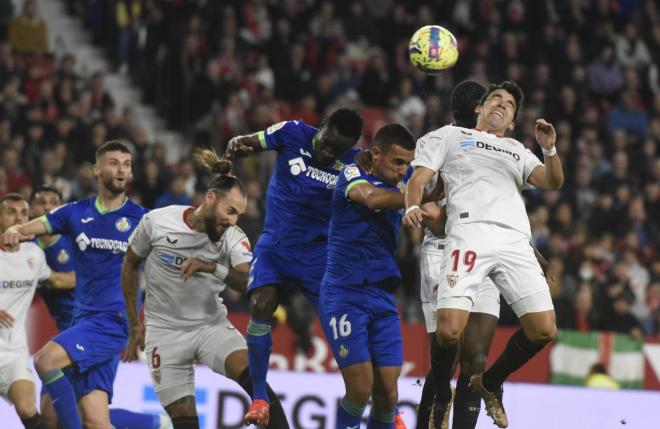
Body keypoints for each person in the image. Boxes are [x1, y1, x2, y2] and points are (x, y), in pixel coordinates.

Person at [404, 81, 564, 428]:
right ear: (480, 108)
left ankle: (490, 383)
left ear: (511, 121)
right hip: (467, 235)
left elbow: (552, 182)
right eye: (496, 98)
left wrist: (549, 150)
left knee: (543, 331)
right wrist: (413, 205)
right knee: (448, 333)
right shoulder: (448, 137)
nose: (502, 104)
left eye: (509, 104)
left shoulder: (516, 149)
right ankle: (441, 397)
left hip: (514, 243)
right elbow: (419, 179)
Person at [122, 149, 289, 429]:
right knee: (185, 423)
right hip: (163, 333)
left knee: (257, 385)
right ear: (210, 199)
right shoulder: (157, 222)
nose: (233, 221)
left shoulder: (232, 238)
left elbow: (248, 280)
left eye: (239, 215)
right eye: (230, 211)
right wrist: (133, 324)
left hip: (210, 326)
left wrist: (213, 267)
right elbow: (129, 265)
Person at [224, 108, 364, 425]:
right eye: (325, 143)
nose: (327, 153)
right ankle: (259, 398)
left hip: (319, 255)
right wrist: (237, 144)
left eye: (335, 151)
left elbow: (404, 176)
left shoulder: (358, 162)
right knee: (261, 303)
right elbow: (250, 141)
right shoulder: (292, 132)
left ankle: (378, 402)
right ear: (322, 125)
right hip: (275, 246)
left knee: (342, 324)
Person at [1, 140, 148, 429]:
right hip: (83, 321)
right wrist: (17, 229)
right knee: (95, 419)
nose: (121, 170)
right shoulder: (75, 213)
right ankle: (159, 422)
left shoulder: (142, 218)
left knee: (44, 361)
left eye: (127, 164)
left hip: (113, 320)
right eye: (114, 163)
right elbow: (38, 225)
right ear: (97, 169)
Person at [29, 186, 171, 429]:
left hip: (96, 328)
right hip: (69, 332)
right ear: (34, 210)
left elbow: (82, 276)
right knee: (57, 416)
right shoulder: (30, 249)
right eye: (41, 202)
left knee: (86, 417)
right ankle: (155, 423)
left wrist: (46, 277)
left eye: (53, 202)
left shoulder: (72, 238)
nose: (47, 207)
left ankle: (155, 422)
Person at [320, 123, 420, 429]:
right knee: (361, 388)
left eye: (407, 163)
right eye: (397, 162)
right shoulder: (352, 174)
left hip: (382, 297)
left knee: (388, 394)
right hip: (344, 294)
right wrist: (414, 199)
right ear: (375, 154)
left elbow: (430, 195)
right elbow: (374, 199)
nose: (404, 170)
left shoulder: (407, 183)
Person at [0, 193, 74, 429]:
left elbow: (54, 281)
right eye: (11, 211)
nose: (18, 217)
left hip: (13, 353)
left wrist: (96, 275)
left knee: (28, 409)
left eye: (23, 212)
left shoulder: (33, 255)